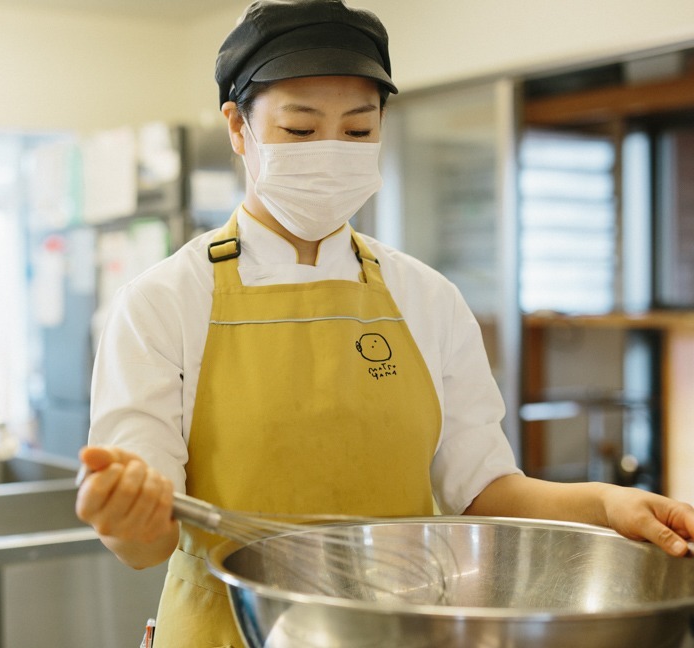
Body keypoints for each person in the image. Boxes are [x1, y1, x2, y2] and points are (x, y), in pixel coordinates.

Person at [75, 1, 694, 645]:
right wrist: (125, 511)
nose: (331, 151)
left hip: (395, 631)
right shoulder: (164, 302)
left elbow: (481, 490)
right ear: (238, 127)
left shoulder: (424, 297)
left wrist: (604, 506)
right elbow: (144, 541)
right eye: (300, 129)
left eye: (357, 130)